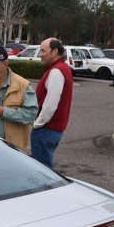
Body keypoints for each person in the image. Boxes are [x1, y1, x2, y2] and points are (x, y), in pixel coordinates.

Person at [31, 38, 73, 169]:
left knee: (41, 172)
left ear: (55, 51)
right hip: (52, 130)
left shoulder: (56, 71)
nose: (40, 54)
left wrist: (37, 124)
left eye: (43, 51)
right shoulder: (63, 68)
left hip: (46, 130)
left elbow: (51, 104)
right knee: (44, 170)